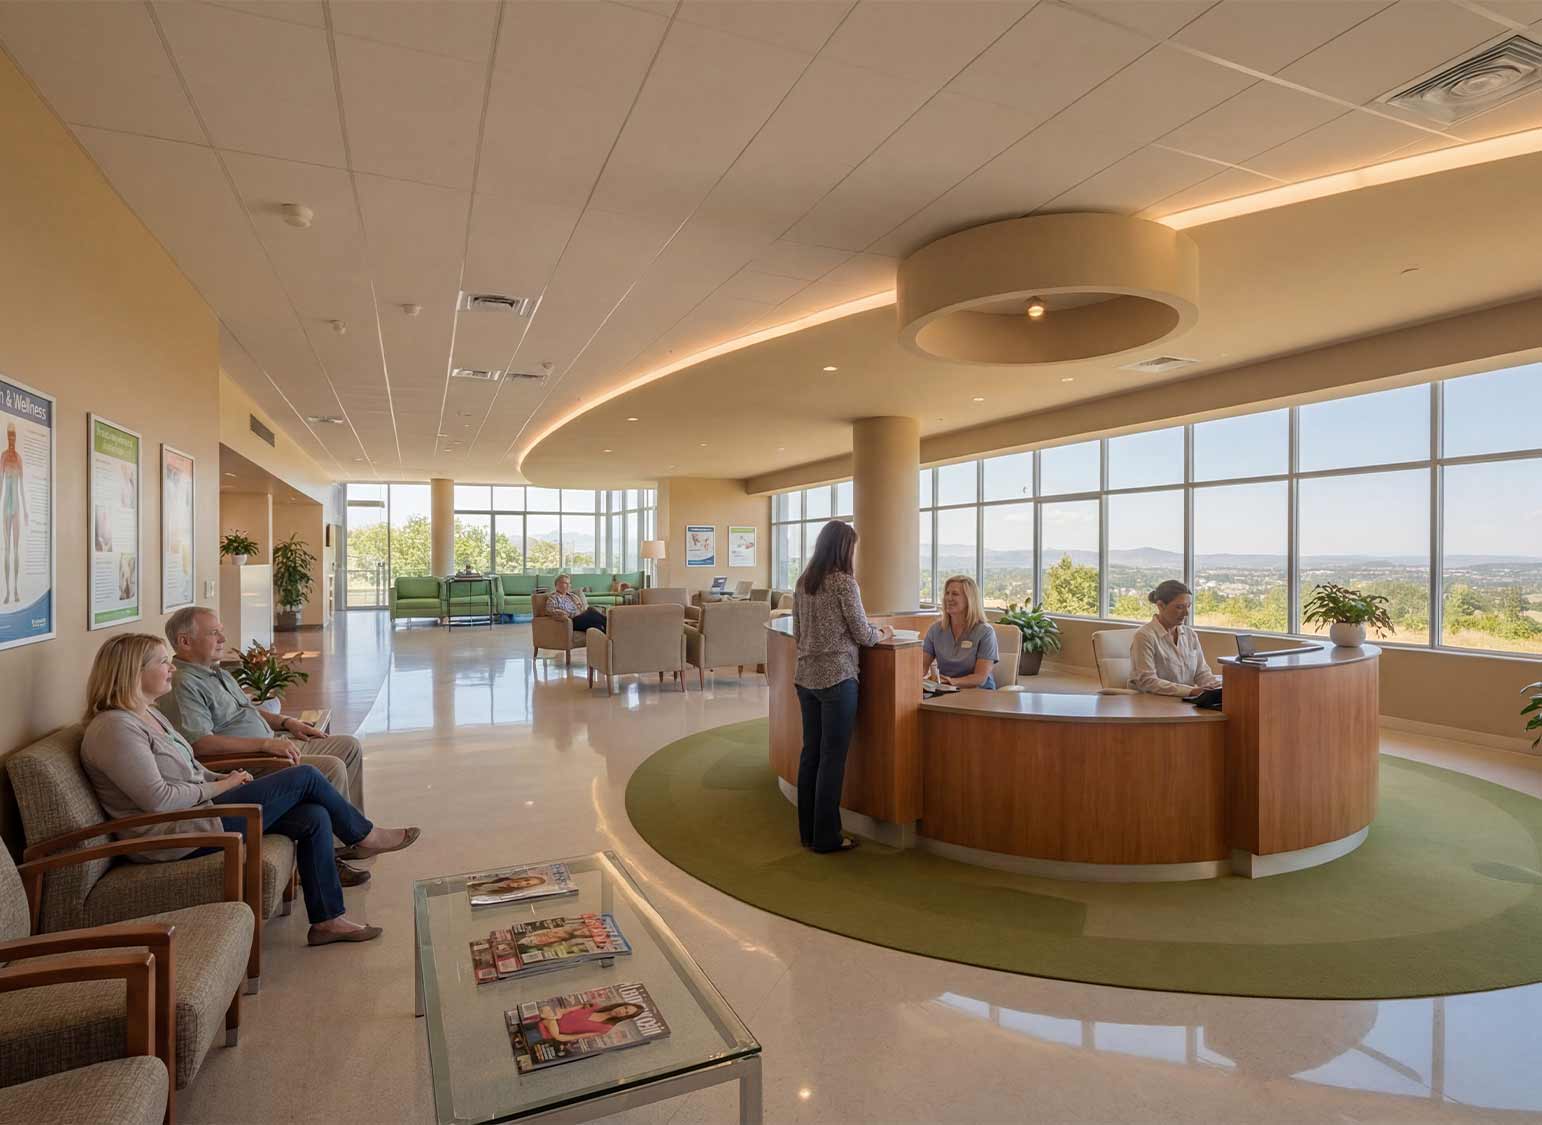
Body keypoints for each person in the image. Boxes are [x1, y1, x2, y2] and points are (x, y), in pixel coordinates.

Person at [79, 634, 421, 946]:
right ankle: (364, 835)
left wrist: (223, 777)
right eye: (162, 662)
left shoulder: (149, 716)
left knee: (313, 816)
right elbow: (159, 800)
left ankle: (327, 921)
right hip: (175, 835)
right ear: (132, 672)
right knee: (305, 776)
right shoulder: (115, 730)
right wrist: (223, 784)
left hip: (199, 813)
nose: (171, 668)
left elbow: (191, 768)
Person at [158, 606, 370, 883]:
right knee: (331, 767)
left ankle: (346, 842)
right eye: (214, 633)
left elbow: (247, 710)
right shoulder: (183, 684)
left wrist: (287, 722)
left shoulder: (215, 672)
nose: (223, 638)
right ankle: (330, 858)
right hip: (253, 760)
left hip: (275, 743)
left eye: (221, 631)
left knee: (348, 746)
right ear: (185, 641)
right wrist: (266, 745)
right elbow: (201, 744)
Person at [792, 521, 892, 854]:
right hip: (837, 678)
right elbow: (863, 634)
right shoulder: (843, 583)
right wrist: (884, 633)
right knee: (832, 760)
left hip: (805, 677)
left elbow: (798, 633)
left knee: (810, 754)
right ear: (844, 548)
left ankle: (807, 832)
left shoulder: (804, 581)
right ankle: (827, 838)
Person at [1129, 579, 1223, 698]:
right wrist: (1191, 691)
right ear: (1160, 605)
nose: (1186, 613)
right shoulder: (1144, 636)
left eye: (1188, 606)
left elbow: (1201, 673)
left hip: (1184, 700)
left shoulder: (1190, 635)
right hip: (1153, 701)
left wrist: (1218, 687)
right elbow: (1148, 681)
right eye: (1179, 607)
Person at [922, 575, 999, 690]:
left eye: (955, 594)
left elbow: (980, 677)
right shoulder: (935, 630)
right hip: (946, 689)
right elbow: (922, 667)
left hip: (978, 692)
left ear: (969, 600)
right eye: (947, 593)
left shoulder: (985, 632)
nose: (949, 598)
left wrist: (951, 682)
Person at [1, 422, 26, 605]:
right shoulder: (3, 457)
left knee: (16, 549)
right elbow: (0, 484)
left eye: (14, 435)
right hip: (5, 507)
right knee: (7, 549)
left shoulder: (18, 459)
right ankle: (7, 592)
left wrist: (26, 510)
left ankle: (16, 589)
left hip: (16, 508)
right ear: (7, 436)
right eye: (9, 435)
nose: (12, 438)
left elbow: (22, 487)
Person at [537, 1001, 644, 1043]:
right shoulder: (594, 1006)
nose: (622, 1011)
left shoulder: (604, 1028)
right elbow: (563, 1011)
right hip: (540, 1020)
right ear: (622, 1005)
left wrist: (554, 1028)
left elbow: (571, 1037)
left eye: (626, 1013)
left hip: (543, 1034)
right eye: (625, 1007)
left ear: (625, 1017)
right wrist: (554, 1016)